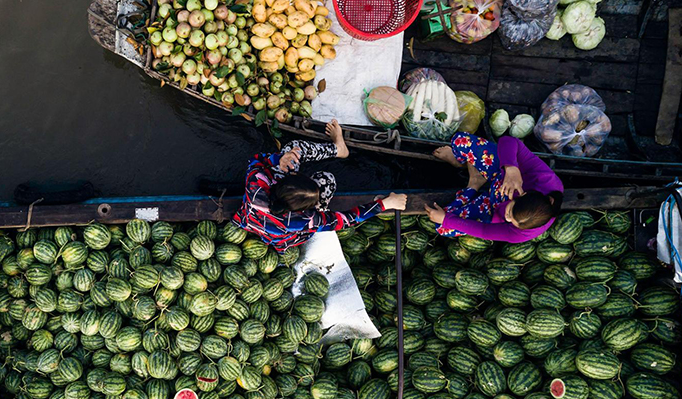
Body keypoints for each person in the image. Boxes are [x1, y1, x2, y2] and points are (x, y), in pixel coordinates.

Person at [233, 119, 407, 251]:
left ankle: (339, 149)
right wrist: (385, 204)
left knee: (293, 149)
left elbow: (255, 160)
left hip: (250, 222)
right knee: (327, 180)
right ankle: (338, 153)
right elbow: (347, 220)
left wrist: (279, 160)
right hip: (284, 237)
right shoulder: (306, 220)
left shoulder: (256, 183)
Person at [424, 132, 563, 242]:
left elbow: (484, 231)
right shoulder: (544, 179)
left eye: (512, 222)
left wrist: (446, 220)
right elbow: (508, 141)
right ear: (523, 194)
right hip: (502, 174)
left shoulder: (523, 233)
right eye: (510, 213)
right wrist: (511, 167)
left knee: (442, 227)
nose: (508, 219)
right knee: (461, 140)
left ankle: (473, 185)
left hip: (491, 208)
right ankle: (461, 164)